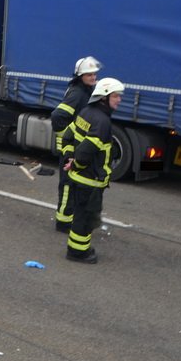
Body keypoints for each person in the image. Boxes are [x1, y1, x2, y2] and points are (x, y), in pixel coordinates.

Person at [62, 77, 124, 264]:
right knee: (85, 218)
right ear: (104, 97)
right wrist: (76, 163)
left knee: (80, 215)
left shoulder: (86, 112)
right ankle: (78, 252)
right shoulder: (102, 122)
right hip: (90, 181)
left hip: (78, 178)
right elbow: (85, 152)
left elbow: (67, 136)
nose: (119, 100)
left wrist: (69, 159)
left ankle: (77, 248)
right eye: (115, 96)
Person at [51, 56, 102, 232]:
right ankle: (63, 222)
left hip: (77, 147)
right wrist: (67, 141)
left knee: (74, 185)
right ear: (80, 76)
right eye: (89, 74)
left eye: (94, 74)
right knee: (68, 185)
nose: (93, 77)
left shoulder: (86, 91)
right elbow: (58, 117)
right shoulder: (77, 93)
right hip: (71, 148)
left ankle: (71, 218)